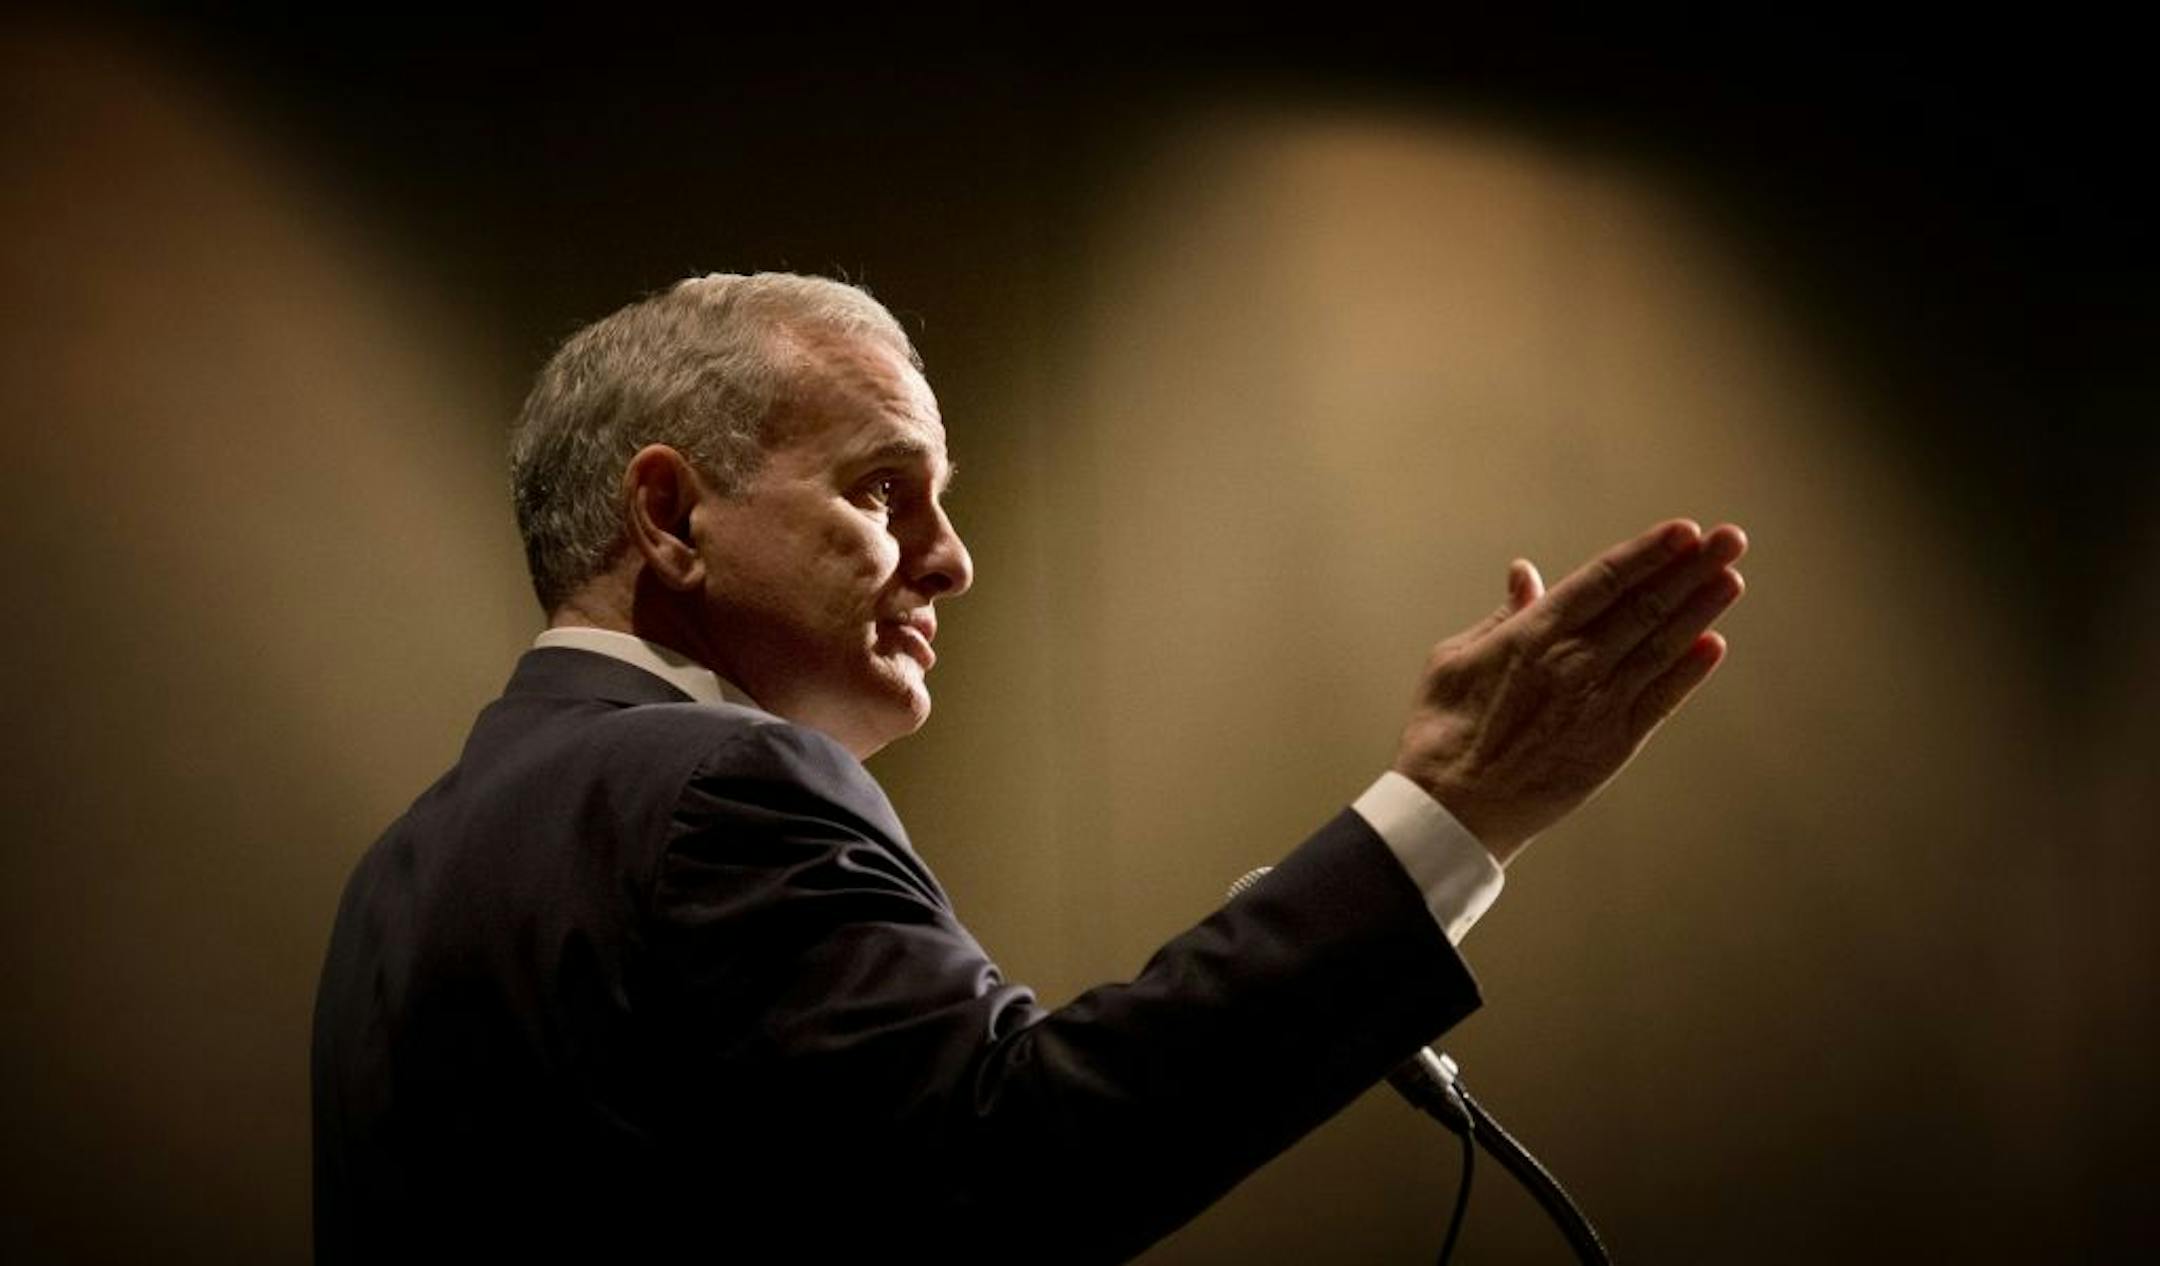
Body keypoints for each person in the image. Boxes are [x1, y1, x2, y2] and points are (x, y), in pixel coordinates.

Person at [311, 273, 1746, 1264]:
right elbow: (1018, 1158)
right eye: (885, 489)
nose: (953, 558)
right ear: (673, 514)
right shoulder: (719, 788)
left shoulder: (399, 878)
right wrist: (1450, 814)